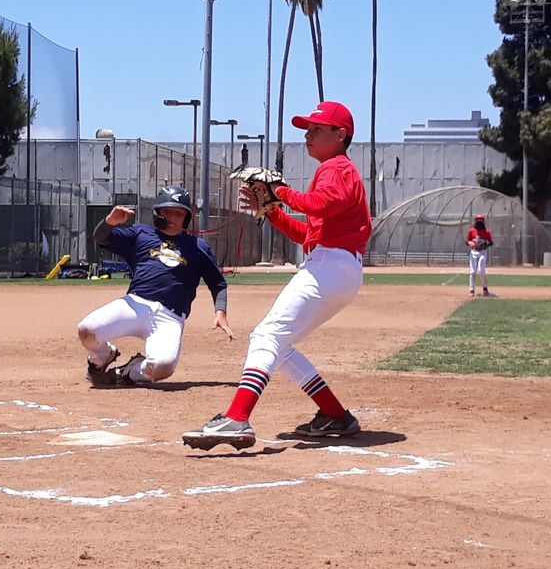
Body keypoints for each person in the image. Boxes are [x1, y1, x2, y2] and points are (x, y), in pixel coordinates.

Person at [183, 101, 371, 450]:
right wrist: (270, 210)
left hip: (330, 268)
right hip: (334, 266)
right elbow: (308, 234)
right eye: (307, 128)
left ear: (340, 134)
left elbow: (319, 203)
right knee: (278, 344)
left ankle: (237, 418)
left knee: (266, 336)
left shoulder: (337, 167)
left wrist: (280, 192)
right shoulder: (334, 170)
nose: (307, 134)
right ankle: (335, 415)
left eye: (317, 129)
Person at [77, 185, 234, 388]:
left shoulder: (198, 247)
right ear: (157, 213)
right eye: (167, 212)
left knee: (163, 365)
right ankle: (103, 355)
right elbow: (101, 237)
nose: (172, 217)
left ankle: (128, 373)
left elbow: (218, 283)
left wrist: (220, 312)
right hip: (136, 304)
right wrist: (109, 222)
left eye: (178, 213)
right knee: (86, 329)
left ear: (186, 218)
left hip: (170, 317)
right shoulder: (140, 234)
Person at [466, 213, 493, 298]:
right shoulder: (471, 230)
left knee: (481, 270)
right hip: (474, 252)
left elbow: (491, 242)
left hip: (482, 252)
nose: (479, 221)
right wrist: (470, 243)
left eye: (481, 220)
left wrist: (486, 245)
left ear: (483, 221)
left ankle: (485, 288)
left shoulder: (486, 231)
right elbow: (467, 241)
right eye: (478, 219)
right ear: (475, 221)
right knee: (473, 271)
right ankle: (471, 290)